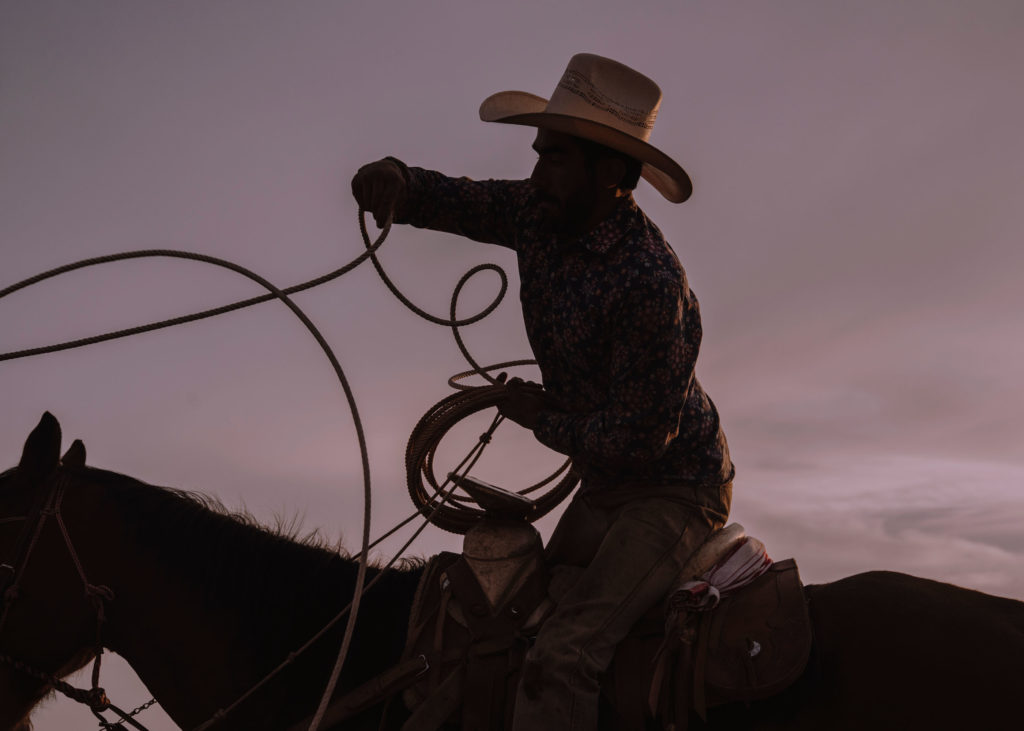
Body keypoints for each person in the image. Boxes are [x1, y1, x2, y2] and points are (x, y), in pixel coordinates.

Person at [352, 53, 733, 731]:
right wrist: (401, 185)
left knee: (564, 653)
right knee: (510, 625)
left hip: (673, 487)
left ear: (610, 173)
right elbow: (468, 201)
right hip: (608, 482)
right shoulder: (539, 211)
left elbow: (645, 440)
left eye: (555, 157)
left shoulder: (649, 281)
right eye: (539, 154)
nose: (537, 173)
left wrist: (543, 418)